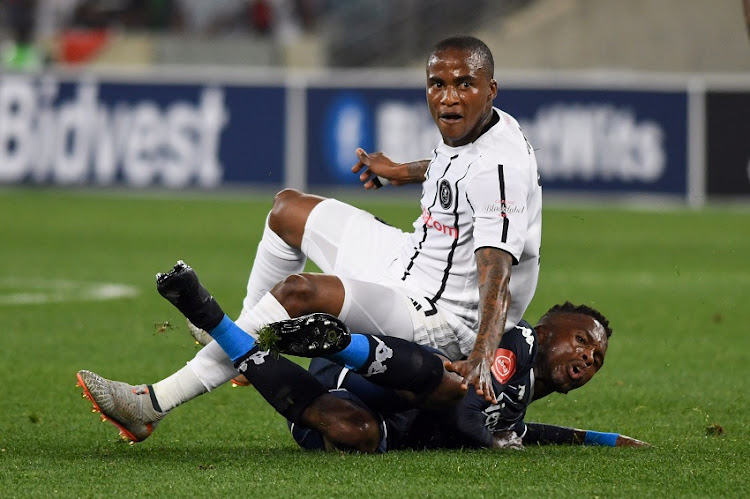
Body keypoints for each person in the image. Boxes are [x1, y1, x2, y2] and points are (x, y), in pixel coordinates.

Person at [75, 34, 542, 442]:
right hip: (411, 259)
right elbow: (454, 170)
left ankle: (151, 404)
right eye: (437, 84)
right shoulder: (484, 124)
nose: (448, 97)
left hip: (442, 317)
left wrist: (482, 354)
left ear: (490, 89)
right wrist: (401, 171)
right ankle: (243, 337)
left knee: (300, 294)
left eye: (464, 84)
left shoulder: (498, 169)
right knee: (289, 210)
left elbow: (496, 269)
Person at [78, 261, 648, 451]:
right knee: (450, 386)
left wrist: (603, 440)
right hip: (382, 370)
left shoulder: (521, 398)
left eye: (596, 357)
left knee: (351, 434)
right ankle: (325, 339)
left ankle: (220, 326)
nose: (588, 357)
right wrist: (491, 443)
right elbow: (469, 418)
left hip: (355, 410)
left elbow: (528, 431)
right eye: (582, 340)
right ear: (547, 329)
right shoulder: (515, 346)